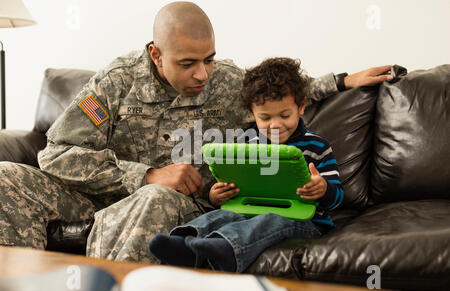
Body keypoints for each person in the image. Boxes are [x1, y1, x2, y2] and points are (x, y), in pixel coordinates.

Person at [0, 1, 392, 263]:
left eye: (209, 59)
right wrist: (145, 174)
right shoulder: (114, 84)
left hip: (185, 203)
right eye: (188, 63)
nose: (203, 74)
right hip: (101, 196)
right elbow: (56, 153)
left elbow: (282, 92)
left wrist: (342, 80)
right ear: (156, 54)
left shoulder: (224, 81)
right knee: (6, 177)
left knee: (154, 196)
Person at [148, 57, 344, 273]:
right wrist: (216, 195)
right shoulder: (247, 146)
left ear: (301, 107)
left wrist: (323, 189)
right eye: (265, 117)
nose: (276, 124)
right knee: (223, 216)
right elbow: (235, 192)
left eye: (284, 115)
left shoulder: (318, 146)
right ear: (252, 114)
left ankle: (226, 249)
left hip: (305, 220)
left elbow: (337, 199)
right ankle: (184, 242)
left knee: (270, 220)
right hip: (253, 211)